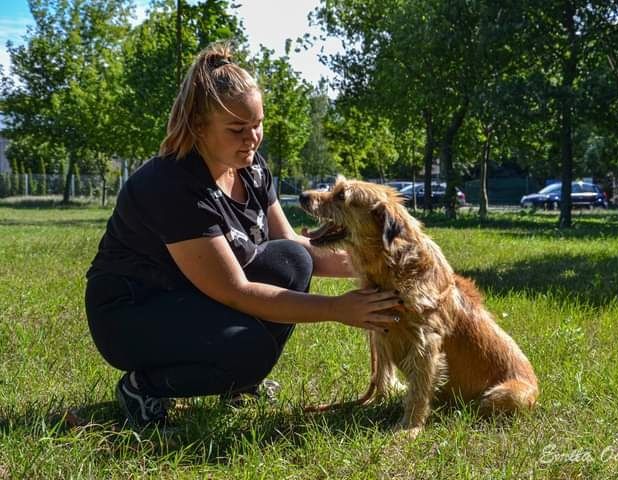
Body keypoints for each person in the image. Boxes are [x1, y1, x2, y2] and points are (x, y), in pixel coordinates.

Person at [84, 42, 400, 429]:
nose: (252, 138)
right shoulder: (171, 184)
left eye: (258, 125)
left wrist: (390, 266)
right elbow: (235, 291)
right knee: (249, 350)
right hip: (132, 312)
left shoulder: (250, 167)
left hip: (188, 298)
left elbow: (298, 249)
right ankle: (144, 386)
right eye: (237, 129)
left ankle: (239, 382)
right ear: (199, 127)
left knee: (291, 260)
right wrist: (338, 310)